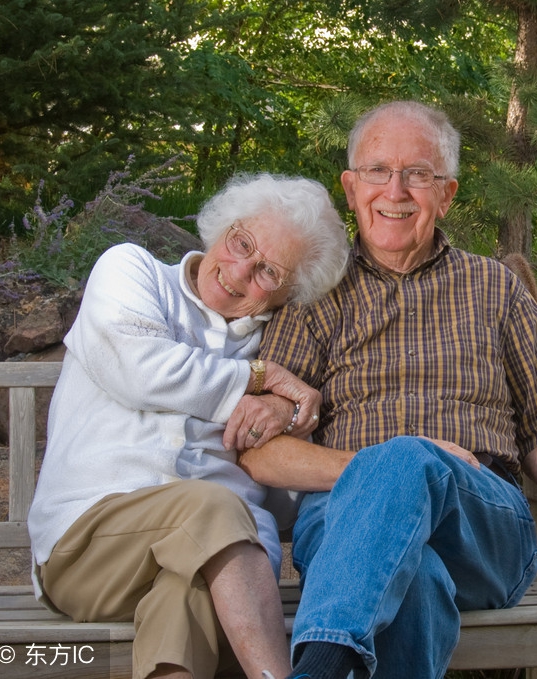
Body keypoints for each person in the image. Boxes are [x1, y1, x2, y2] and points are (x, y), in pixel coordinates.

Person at [238, 101, 537, 679]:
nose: (395, 190)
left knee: (407, 462)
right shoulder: (315, 297)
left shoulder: (494, 288)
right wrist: (381, 469)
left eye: (417, 174)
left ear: (446, 194)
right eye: (377, 171)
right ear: (351, 189)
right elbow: (258, 449)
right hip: (344, 521)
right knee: (416, 576)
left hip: (482, 523)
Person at [27, 173, 350, 679]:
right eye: (241, 242)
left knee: (187, 599)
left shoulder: (279, 346)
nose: (240, 271)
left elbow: (283, 504)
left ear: (289, 294)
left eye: (269, 272)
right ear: (221, 226)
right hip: (90, 548)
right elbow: (140, 368)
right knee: (213, 506)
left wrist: (291, 419)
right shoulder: (133, 272)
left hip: (215, 568)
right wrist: (256, 378)